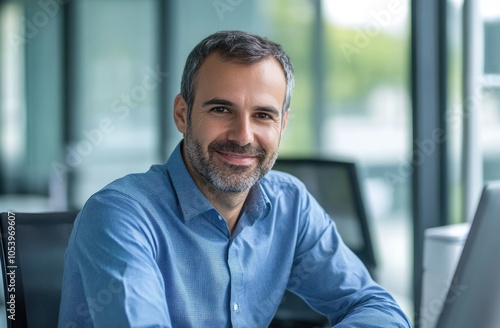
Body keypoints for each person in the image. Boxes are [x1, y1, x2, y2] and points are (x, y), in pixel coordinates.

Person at [58, 30, 411, 327]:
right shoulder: (121, 215)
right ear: (183, 114)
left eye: (262, 115)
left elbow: (378, 308)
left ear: (282, 125)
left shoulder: (290, 204)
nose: (243, 136)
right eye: (221, 109)